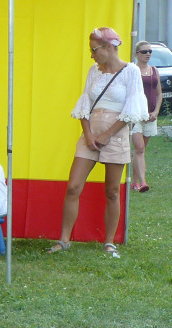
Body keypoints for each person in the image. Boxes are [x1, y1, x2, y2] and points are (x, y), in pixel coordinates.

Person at [49, 26, 147, 258]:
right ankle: (63, 240)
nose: (91, 55)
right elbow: (84, 105)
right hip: (90, 134)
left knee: (112, 191)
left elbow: (131, 110)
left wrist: (107, 135)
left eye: (94, 49)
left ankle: (109, 242)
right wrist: (90, 134)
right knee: (73, 186)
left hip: (115, 134)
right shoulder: (94, 71)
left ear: (108, 47)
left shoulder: (131, 71)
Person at [130, 41, 161, 192]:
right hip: (136, 116)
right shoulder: (132, 70)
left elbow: (159, 94)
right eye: (144, 52)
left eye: (150, 51)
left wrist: (155, 112)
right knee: (139, 148)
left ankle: (134, 182)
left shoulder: (154, 70)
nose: (148, 54)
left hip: (150, 116)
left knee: (140, 151)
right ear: (137, 54)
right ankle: (143, 183)